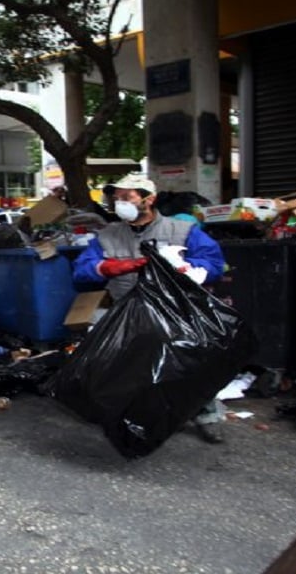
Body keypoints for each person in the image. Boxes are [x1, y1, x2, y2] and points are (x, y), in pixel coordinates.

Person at [71, 176, 229, 444]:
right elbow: (82, 271)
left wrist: (192, 269)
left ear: (149, 199)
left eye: (127, 196)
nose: (120, 202)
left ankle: (206, 416)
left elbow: (213, 262)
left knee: (190, 364)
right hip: (127, 310)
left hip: (175, 309)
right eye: (117, 197)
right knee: (130, 367)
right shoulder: (108, 236)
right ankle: (140, 416)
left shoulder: (182, 230)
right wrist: (104, 268)